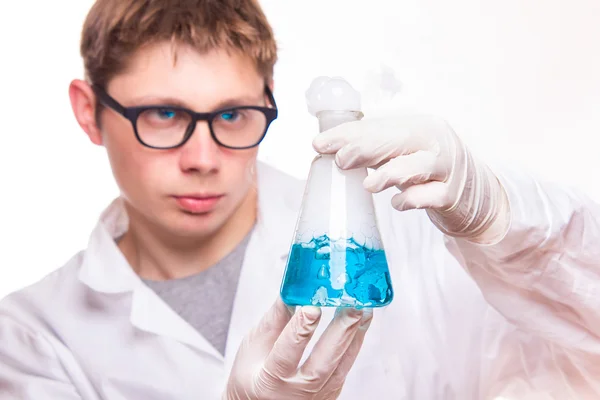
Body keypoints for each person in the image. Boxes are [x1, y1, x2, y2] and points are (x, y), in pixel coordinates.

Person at [1, 0, 600, 398]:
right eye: (165, 114)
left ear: (269, 98)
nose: (204, 158)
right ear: (89, 111)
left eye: (233, 114)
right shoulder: (31, 339)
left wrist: (503, 219)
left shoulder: (402, 245)